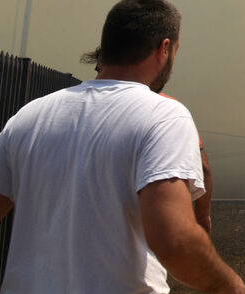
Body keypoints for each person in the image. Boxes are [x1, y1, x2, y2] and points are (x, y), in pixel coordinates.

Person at [0, 0, 245, 294]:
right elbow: (175, 241)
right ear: (164, 48)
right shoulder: (163, 115)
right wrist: (231, 286)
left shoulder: (31, 116)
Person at [80, 44, 215, 232]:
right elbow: (203, 168)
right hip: (144, 228)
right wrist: (202, 216)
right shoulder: (169, 112)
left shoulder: (73, 109)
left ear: (101, 65)